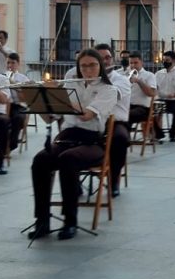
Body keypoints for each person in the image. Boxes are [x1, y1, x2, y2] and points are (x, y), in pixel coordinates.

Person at [28, 49, 118, 240]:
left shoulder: (108, 90)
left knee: (68, 159)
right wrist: (40, 100)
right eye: (83, 66)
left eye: (92, 65)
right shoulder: (72, 86)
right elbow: (49, 119)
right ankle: (42, 220)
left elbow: (86, 116)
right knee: (41, 160)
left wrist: (59, 95)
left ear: (100, 66)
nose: (88, 70)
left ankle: (70, 221)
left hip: (92, 141)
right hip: (66, 137)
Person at [95, 43, 131, 195]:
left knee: (120, 138)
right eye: (102, 58)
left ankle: (114, 179)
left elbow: (112, 95)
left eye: (108, 57)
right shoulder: (84, 79)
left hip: (115, 122)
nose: (107, 61)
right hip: (93, 122)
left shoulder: (121, 79)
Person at [154, 51, 175, 142]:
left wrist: (173, 94)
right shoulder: (158, 74)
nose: (165, 62)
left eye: (167, 60)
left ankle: (173, 130)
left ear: (173, 60)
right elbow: (154, 88)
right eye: (164, 60)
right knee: (151, 112)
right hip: (161, 100)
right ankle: (158, 133)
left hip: (174, 100)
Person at [3, 53, 30, 151]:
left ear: (18, 64)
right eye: (8, 63)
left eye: (13, 63)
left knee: (17, 118)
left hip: (18, 106)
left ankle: (11, 145)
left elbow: (25, 99)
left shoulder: (23, 79)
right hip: (4, 105)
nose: (10, 65)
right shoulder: (2, 76)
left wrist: (14, 84)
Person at [125, 51, 157, 128]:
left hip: (143, 108)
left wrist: (139, 81)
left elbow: (151, 93)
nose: (133, 65)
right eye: (131, 63)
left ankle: (124, 137)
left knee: (127, 115)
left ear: (141, 62)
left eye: (135, 63)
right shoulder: (125, 75)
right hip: (128, 106)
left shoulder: (149, 75)